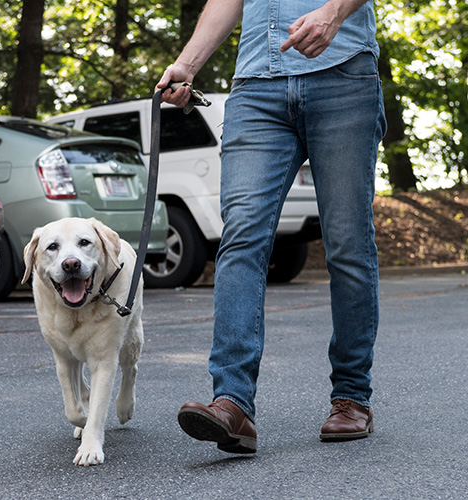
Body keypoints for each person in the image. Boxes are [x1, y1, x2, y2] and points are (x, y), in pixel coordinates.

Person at [158, 0, 385, 454]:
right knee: (240, 236)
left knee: (348, 246)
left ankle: (351, 397)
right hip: (256, 89)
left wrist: (334, 13)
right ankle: (232, 403)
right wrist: (186, 64)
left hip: (343, 77)